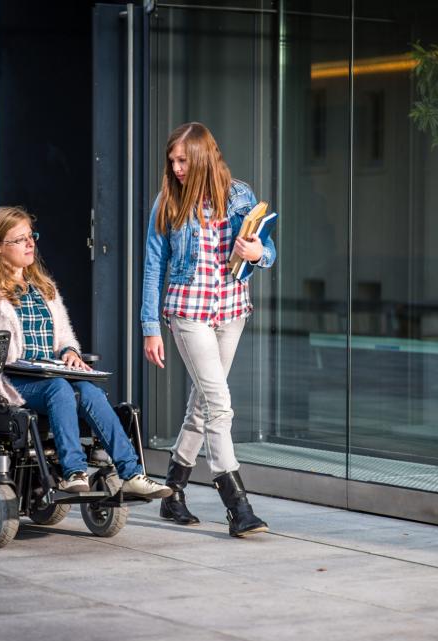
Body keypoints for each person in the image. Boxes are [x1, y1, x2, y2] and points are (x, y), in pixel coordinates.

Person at [0, 205, 172, 499]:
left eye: (31, 236)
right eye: (20, 239)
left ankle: (131, 473)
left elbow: (64, 336)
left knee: (89, 392)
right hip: (6, 381)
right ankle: (73, 472)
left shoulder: (43, 287)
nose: (30, 244)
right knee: (59, 389)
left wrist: (70, 351)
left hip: (47, 372)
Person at [141, 122, 276, 537]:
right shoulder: (168, 201)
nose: (176, 167)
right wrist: (150, 327)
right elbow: (153, 266)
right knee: (219, 404)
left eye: (183, 160)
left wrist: (257, 253)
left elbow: (266, 249)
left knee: (202, 406)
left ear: (202, 156)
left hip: (231, 310)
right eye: (173, 161)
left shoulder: (240, 195)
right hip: (189, 313)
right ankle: (236, 504)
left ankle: (173, 491)